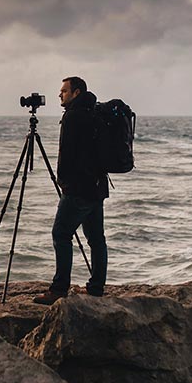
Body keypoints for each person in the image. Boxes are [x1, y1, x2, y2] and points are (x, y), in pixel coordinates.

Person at [47, 75, 108, 299]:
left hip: (79, 189)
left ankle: (58, 289)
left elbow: (67, 155)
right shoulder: (93, 113)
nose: (60, 95)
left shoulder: (73, 117)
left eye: (64, 91)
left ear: (76, 93)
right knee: (96, 239)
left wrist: (63, 182)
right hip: (97, 187)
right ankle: (96, 288)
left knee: (61, 234)